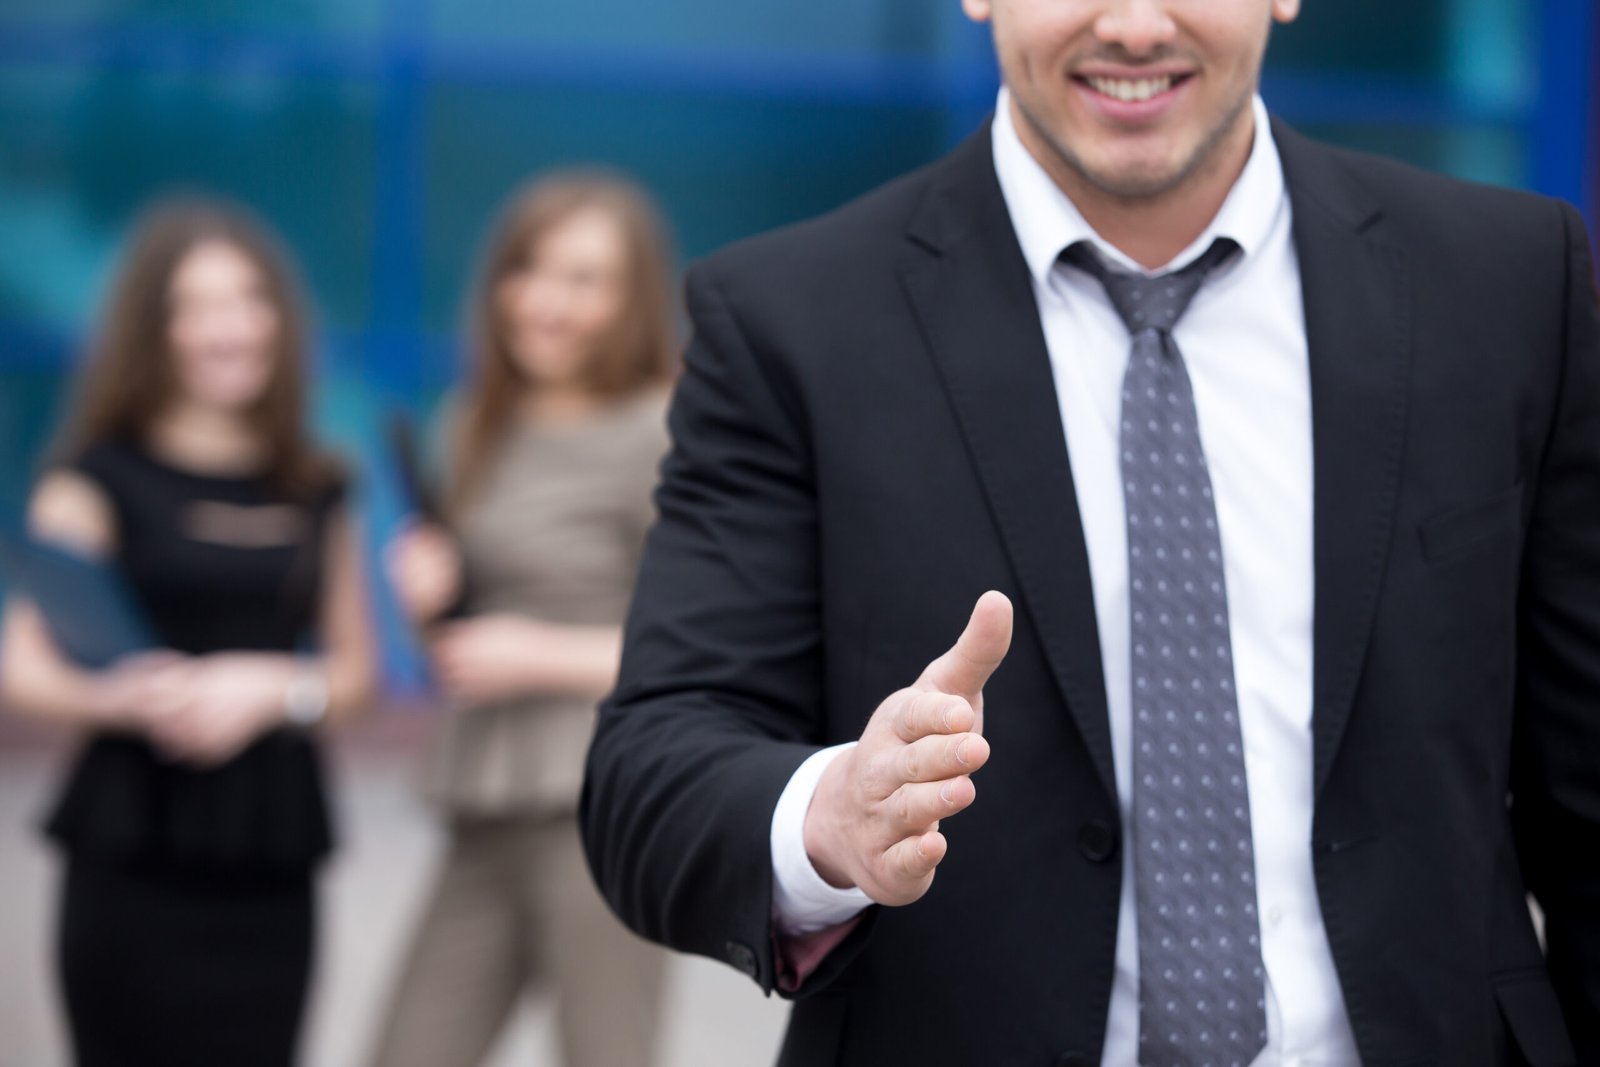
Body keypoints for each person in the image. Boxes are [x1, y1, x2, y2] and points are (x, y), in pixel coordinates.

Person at [580, 1, 1600, 1064]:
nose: (1130, 24)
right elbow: (652, 770)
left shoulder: (1505, 284)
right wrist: (825, 816)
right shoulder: (789, 320)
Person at [0, 197, 376, 1067]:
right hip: (132, 853)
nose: (231, 327)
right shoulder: (93, 483)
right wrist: (120, 698)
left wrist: (275, 688)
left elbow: (355, 675)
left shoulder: (321, 487)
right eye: (197, 305)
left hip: (270, 860)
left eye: (249, 299)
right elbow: (21, 665)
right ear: (153, 329)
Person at [368, 171, 675, 1067]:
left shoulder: (665, 429)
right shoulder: (474, 423)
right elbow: (464, 650)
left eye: (584, 280)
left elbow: (710, 647)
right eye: (529, 270)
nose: (547, 301)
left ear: (632, 300)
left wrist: (537, 653)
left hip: (604, 806)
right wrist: (431, 602)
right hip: (480, 801)